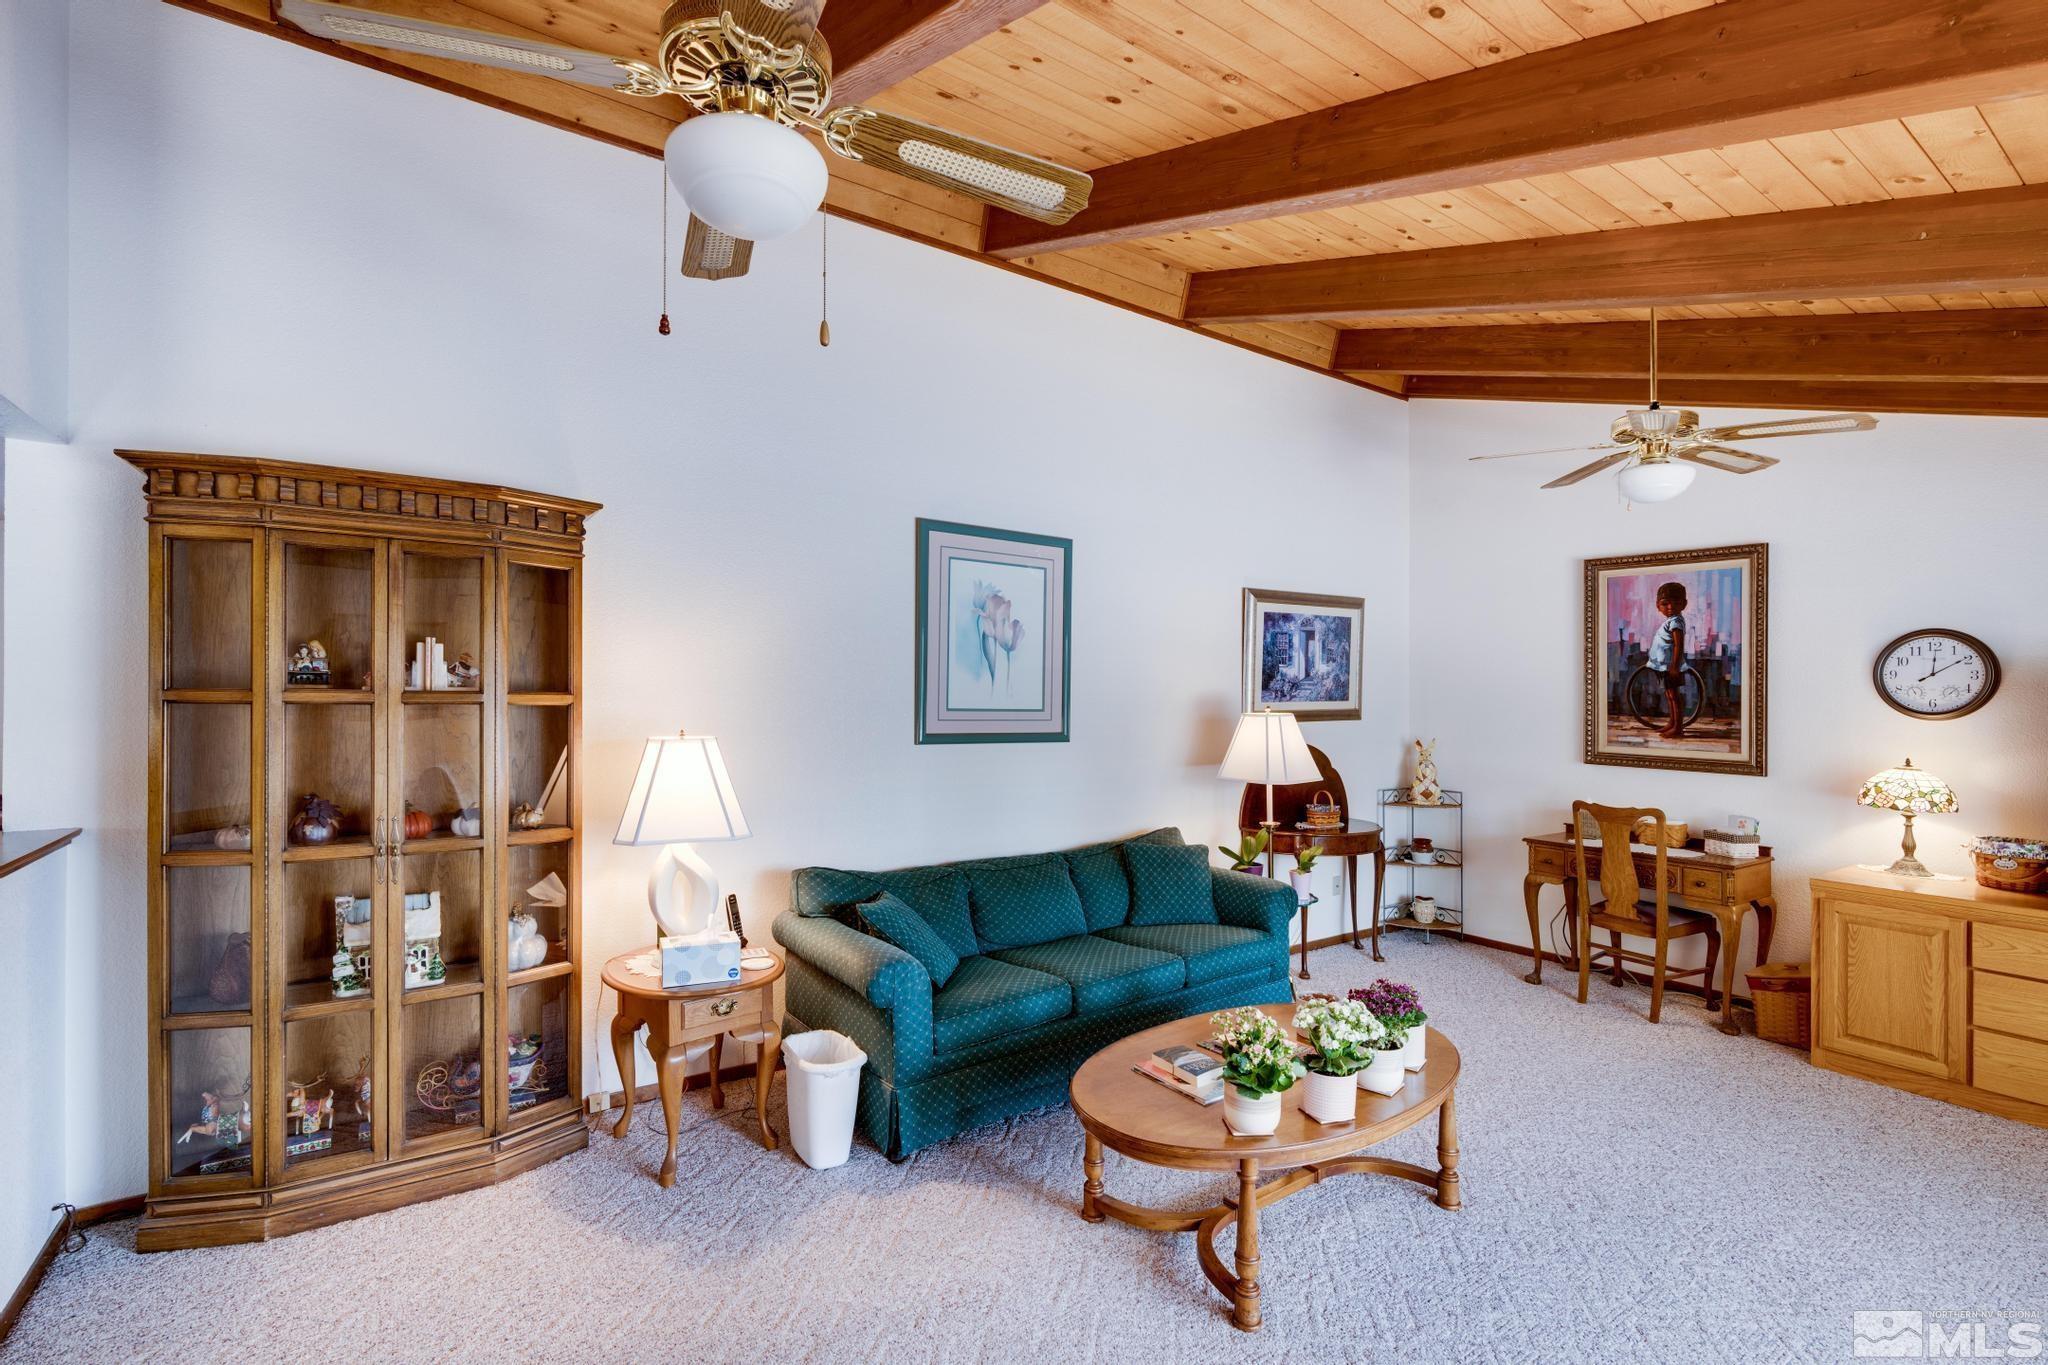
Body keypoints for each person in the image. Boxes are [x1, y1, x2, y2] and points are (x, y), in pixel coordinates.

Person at [1646, 581, 1688, 739]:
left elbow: (1678, 645)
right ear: (1658, 606)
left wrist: (1675, 666)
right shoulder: (1671, 621)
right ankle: (1673, 723)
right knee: (1670, 695)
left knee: (1674, 696)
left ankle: (1678, 727)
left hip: (1670, 667)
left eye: (1676, 603)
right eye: (1665, 603)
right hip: (1664, 666)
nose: (1670, 607)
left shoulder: (1676, 621)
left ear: (1684, 604)